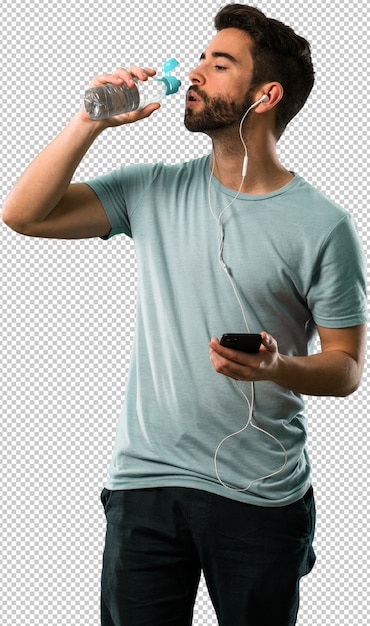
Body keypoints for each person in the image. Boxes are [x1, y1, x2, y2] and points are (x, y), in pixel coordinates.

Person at [2, 4, 367, 625]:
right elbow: (24, 215)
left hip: (261, 495)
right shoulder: (151, 189)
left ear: (266, 94)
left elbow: (345, 369)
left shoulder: (324, 226)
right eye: (199, 57)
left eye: (219, 63)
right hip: (146, 485)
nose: (194, 72)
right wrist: (90, 121)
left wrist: (278, 367)